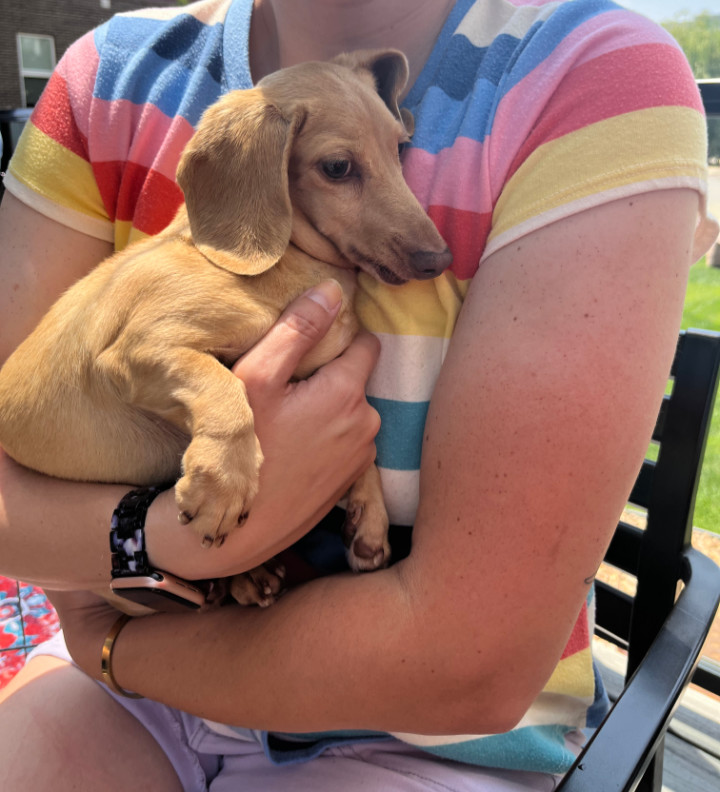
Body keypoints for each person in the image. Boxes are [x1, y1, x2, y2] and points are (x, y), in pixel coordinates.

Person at [0, 0, 717, 789]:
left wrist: (107, 643)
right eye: (341, 171)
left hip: (421, 738)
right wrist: (174, 542)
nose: (425, 239)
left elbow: (466, 664)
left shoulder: (590, 78)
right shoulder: (106, 78)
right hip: (128, 688)